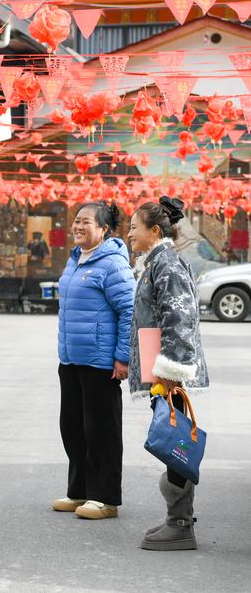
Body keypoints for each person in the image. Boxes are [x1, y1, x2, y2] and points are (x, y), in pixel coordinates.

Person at [126, 197, 210, 551]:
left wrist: (170, 374)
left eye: (134, 227)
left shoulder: (168, 264)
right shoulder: (156, 262)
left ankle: (180, 524)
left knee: (174, 442)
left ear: (155, 231)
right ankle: (179, 519)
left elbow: (180, 318)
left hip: (168, 372)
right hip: (160, 368)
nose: (129, 234)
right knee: (171, 439)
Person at [54, 202, 134, 520]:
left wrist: (122, 358)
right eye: (76, 220)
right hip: (71, 360)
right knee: (73, 428)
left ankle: (105, 498)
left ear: (103, 229)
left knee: (102, 430)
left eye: (86, 222)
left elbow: (129, 311)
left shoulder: (113, 264)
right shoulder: (74, 260)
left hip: (101, 363)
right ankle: (80, 492)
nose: (78, 226)